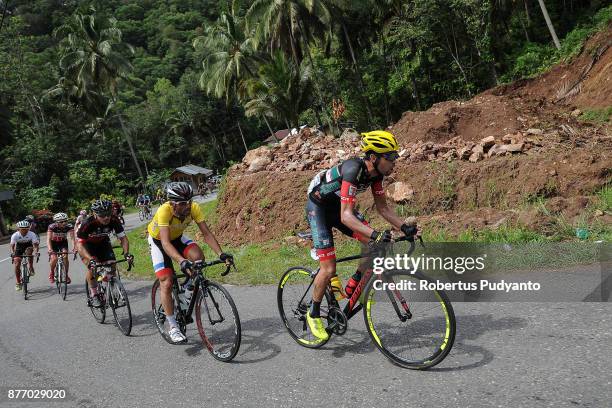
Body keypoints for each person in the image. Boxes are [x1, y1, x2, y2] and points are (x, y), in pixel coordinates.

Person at [304, 130, 420, 340]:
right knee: (329, 268)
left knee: (372, 245)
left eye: (395, 156)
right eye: (390, 157)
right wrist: (376, 233)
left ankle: (354, 283)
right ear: (374, 158)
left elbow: (383, 209)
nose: (395, 162)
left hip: (339, 208)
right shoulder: (353, 169)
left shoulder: (377, 175)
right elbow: (347, 216)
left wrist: (404, 227)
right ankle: (313, 313)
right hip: (319, 208)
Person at [147, 181, 233, 343]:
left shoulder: (194, 208)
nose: (187, 206)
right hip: (159, 241)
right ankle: (173, 326)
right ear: (172, 204)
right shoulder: (164, 211)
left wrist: (221, 254)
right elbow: (165, 243)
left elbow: (206, 234)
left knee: (198, 258)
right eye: (182, 203)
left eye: (189, 201)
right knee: (166, 281)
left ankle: (187, 290)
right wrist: (181, 261)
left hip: (178, 238)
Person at [76, 200, 132, 307]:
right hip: (87, 246)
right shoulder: (87, 223)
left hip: (103, 243)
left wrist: (126, 253)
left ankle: (111, 285)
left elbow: (123, 238)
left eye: (108, 214)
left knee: (112, 263)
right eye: (102, 215)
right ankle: (95, 294)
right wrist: (90, 259)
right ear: (95, 214)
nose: (106, 218)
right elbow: (80, 245)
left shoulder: (114, 220)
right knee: (93, 267)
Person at [10, 220, 40, 291]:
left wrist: (36, 252)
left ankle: (31, 267)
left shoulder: (32, 234)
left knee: (29, 252)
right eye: (22, 229)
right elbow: (12, 246)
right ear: (18, 229)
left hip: (28, 246)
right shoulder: (15, 235)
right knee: (17, 264)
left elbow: (35, 246)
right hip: (19, 248)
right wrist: (12, 253)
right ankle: (18, 282)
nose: (25, 230)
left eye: (27, 228)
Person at [47, 212, 75, 284]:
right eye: (62, 222)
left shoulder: (69, 226)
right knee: (54, 259)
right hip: (53, 243)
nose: (64, 223)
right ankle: (52, 273)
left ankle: (66, 275)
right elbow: (49, 239)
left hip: (62, 242)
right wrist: (50, 249)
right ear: (56, 222)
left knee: (65, 257)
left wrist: (74, 247)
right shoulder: (52, 227)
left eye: (66, 221)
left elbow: (72, 238)